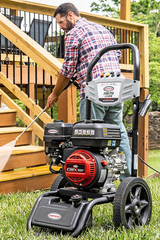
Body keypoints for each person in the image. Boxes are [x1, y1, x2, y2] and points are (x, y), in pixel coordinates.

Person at [46, 2, 131, 179]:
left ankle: (90, 179)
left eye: (61, 23)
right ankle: (128, 179)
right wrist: (83, 72)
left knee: (89, 135)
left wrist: (55, 94)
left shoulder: (73, 33)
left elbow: (67, 69)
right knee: (118, 132)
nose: (61, 28)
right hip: (116, 86)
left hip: (95, 90)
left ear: (70, 15)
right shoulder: (101, 28)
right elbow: (116, 55)